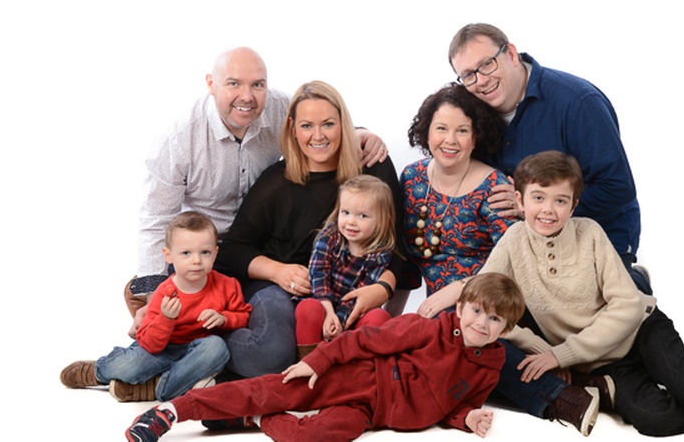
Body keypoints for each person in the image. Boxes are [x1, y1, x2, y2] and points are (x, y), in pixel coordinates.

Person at [431, 151, 684, 437]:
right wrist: (530, 342)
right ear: (519, 199)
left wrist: (562, 353)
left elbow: (626, 304)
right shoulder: (513, 242)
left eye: (560, 201)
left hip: (640, 330)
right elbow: (485, 303)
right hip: (602, 362)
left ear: (574, 205)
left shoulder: (589, 233)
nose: (548, 210)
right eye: (538, 198)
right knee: (654, 419)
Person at [128, 47, 388, 336]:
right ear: (211, 84)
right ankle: (145, 301)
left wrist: (359, 134)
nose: (247, 96)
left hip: (255, 248)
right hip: (201, 251)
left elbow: (318, 121)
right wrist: (153, 299)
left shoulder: (277, 108)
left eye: (257, 85)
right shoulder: (179, 137)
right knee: (180, 325)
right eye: (233, 83)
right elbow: (155, 220)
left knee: (266, 330)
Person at [124, 273, 526, 442]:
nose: (481, 323)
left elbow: (457, 404)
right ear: (459, 309)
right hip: (361, 377)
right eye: (475, 311)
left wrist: (467, 418)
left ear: (505, 330)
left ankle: (251, 420)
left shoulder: (489, 366)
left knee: (310, 436)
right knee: (275, 391)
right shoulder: (428, 329)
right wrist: (316, 362)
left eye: (494, 319)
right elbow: (363, 340)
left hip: (371, 414)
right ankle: (175, 411)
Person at [213, 81, 406, 378]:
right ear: (292, 128)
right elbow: (233, 251)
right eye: (306, 126)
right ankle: (196, 350)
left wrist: (382, 289)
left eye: (328, 124)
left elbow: (398, 246)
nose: (317, 136)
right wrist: (278, 271)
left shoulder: (372, 169)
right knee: (270, 355)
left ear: (343, 123)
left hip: (348, 290)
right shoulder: (276, 181)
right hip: (280, 286)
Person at [448, 23, 651, 295]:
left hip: (597, 239)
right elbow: (437, 133)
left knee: (595, 322)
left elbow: (617, 188)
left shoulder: (577, 101)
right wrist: (368, 135)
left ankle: (632, 282)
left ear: (510, 54)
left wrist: (533, 207)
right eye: (468, 75)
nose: (481, 80)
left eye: (486, 64)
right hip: (525, 248)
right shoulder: (473, 111)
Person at [60, 212, 252, 402]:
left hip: (197, 354)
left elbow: (243, 316)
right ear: (168, 256)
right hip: (162, 349)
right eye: (186, 253)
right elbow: (149, 343)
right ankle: (99, 371)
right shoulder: (164, 292)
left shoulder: (227, 285)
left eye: (205, 252)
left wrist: (224, 318)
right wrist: (166, 319)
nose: (196, 261)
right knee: (131, 363)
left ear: (215, 253)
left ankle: (157, 386)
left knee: (217, 348)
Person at [397, 82, 516, 313]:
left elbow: (511, 263)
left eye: (462, 131)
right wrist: (389, 318)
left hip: (483, 305)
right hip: (433, 311)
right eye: (441, 128)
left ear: (476, 137)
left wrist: (459, 289)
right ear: (427, 131)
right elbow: (404, 263)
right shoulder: (412, 178)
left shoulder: (494, 187)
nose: (450, 140)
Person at [294, 174, 396, 356]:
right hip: (322, 302)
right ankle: (308, 359)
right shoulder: (329, 236)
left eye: (363, 216)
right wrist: (328, 312)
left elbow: (360, 296)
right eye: (345, 212)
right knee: (307, 308)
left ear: (382, 220)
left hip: (352, 314)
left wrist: (340, 323)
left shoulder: (380, 254)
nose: (351, 222)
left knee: (380, 318)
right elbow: (318, 275)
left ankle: (352, 368)